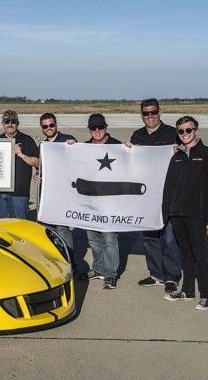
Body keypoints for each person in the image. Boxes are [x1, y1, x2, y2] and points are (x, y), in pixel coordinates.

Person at [163, 116, 208, 311]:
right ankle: (188, 290)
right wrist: (166, 213)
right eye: (181, 131)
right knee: (185, 253)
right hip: (177, 214)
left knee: (200, 255)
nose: (185, 134)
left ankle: (207, 295)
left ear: (196, 130)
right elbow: (168, 187)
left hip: (198, 215)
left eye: (189, 130)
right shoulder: (176, 156)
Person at [130, 98, 182, 293]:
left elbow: (187, 153)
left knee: (168, 238)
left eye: (153, 112)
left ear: (159, 113)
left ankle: (172, 277)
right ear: (142, 115)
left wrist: (180, 151)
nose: (150, 116)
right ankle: (156, 274)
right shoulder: (137, 135)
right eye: (146, 113)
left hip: (168, 194)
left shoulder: (171, 134)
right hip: (146, 196)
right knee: (150, 237)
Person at [79, 114, 121, 289]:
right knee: (93, 238)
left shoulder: (117, 146)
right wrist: (70, 148)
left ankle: (110, 273)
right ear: (89, 130)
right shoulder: (84, 147)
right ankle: (98, 269)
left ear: (106, 127)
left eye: (100, 128)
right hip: (91, 203)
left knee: (110, 239)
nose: (97, 131)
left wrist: (130, 150)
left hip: (110, 203)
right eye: (93, 128)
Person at [35, 112, 77, 264]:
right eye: (45, 126)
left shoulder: (67, 140)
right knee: (48, 234)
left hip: (63, 197)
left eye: (51, 125)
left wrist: (75, 146)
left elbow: (78, 160)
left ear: (56, 125)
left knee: (64, 233)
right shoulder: (43, 145)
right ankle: (54, 264)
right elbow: (41, 167)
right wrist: (38, 174)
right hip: (47, 197)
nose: (49, 128)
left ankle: (70, 264)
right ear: (42, 128)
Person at [0, 110, 39, 219]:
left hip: (20, 194)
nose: (10, 124)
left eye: (13, 121)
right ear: (3, 124)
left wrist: (22, 155)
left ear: (17, 123)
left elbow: (38, 162)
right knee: (1, 228)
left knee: (19, 227)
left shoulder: (27, 140)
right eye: (7, 121)